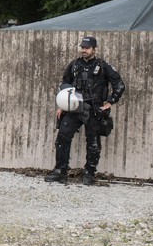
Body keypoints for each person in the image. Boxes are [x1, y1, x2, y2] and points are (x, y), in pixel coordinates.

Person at [46, 36, 125, 185]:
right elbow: (65, 85)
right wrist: (62, 105)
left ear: (94, 49)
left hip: (94, 109)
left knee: (93, 142)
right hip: (74, 107)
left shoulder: (103, 66)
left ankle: (89, 173)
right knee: (62, 137)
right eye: (82, 47)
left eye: (87, 48)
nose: (84, 50)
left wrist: (110, 102)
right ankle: (60, 171)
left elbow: (119, 85)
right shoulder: (74, 65)